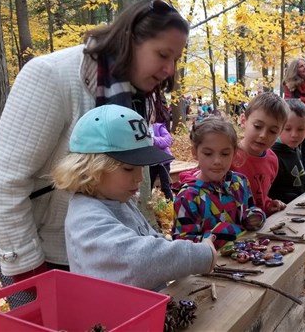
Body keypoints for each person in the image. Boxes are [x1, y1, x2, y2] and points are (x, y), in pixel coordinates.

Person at [0, 0, 190, 295]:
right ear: (130, 40)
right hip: (28, 245)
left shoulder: (137, 97)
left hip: (89, 249)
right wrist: (31, 271)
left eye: (176, 59)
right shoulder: (50, 76)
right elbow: (2, 184)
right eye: (163, 54)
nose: (169, 69)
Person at [51, 105, 216, 291]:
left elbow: (152, 240)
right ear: (91, 169)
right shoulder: (86, 217)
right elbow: (138, 261)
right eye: (129, 169)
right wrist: (200, 255)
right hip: (111, 318)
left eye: (141, 168)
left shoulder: (119, 201)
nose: (139, 177)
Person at [172, 116, 266, 250]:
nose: (217, 161)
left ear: (234, 153)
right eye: (208, 153)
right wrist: (224, 233)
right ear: (195, 153)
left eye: (225, 154)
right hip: (208, 268)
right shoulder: (187, 197)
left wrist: (255, 217)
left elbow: (249, 209)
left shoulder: (240, 183)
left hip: (246, 260)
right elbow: (183, 244)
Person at [231, 93, 289, 216]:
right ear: (243, 121)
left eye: (272, 131)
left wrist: (269, 204)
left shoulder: (272, 160)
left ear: (280, 132)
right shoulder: (227, 155)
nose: (263, 135)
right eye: (257, 126)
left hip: (259, 225)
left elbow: (260, 197)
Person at [269, 99, 305, 204]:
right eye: (287, 129)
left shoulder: (295, 148)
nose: (294, 135)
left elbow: (302, 179)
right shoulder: (272, 155)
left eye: (301, 129)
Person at [149, 99, 174, 200]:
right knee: (148, 185)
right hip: (151, 162)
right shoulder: (142, 129)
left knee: (165, 186)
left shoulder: (158, 127)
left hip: (163, 161)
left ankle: (171, 206)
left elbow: (168, 140)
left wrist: (154, 140)